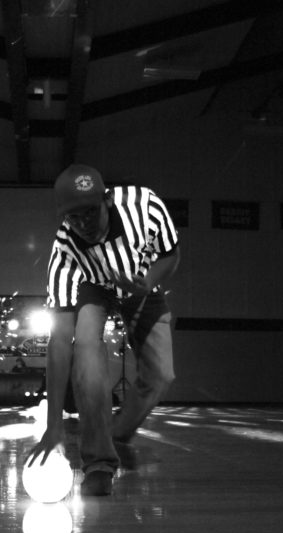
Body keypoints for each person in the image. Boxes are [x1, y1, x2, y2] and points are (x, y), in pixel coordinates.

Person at [29, 164, 180, 496]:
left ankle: (117, 435)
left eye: (89, 212)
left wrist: (148, 282)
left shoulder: (146, 206)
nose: (83, 224)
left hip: (141, 281)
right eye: (73, 217)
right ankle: (98, 462)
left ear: (107, 200)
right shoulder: (65, 249)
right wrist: (54, 423)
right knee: (85, 349)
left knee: (161, 374)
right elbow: (59, 341)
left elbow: (171, 254)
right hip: (94, 288)